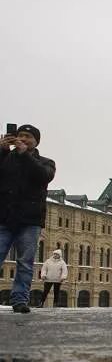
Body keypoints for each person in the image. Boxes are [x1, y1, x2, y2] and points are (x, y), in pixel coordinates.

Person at [0, 125, 56, 313]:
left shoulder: (46, 162)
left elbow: (44, 177)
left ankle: (19, 300)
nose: (23, 139)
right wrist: (1, 151)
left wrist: (25, 155)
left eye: (28, 136)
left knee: (25, 262)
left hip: (29, 220)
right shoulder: (6, 158)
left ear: (36, 141)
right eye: (20, 135)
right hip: (4, 218)